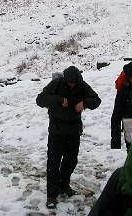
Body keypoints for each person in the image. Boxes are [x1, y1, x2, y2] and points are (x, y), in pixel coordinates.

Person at [36, 65, 101, 209]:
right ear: (65, 80)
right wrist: (59, 99)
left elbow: (96, 100)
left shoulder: (81, 85)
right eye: (69, 82)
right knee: (53, 163)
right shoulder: (57, 83)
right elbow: (40, 100)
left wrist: (85, 103)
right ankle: (51, 195)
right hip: (56, 131)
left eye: (74, 82)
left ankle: (64, 186)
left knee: (71, 161)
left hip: (73, 131)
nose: (71, 85)